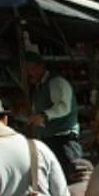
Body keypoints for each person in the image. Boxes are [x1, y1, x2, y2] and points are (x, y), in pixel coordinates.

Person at [26, 51, 81, 179]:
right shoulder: (39, 87)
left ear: (41, 67)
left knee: (71, 176)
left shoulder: (56, 82)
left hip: (64, 140)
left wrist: (44, 116)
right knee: (56, 177)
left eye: (32, 69)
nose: (30, 73)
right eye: (28, 70)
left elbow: (63, 106)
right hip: (50, 139)